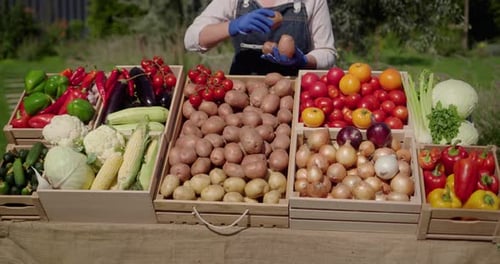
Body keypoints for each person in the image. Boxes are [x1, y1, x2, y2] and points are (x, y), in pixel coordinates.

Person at [184, 0, 337, 76]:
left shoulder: (312, 1)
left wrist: (303, 60)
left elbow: (328, 53)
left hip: (294, 94)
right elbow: (191, 40)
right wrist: (232, 26)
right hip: (242, 91)